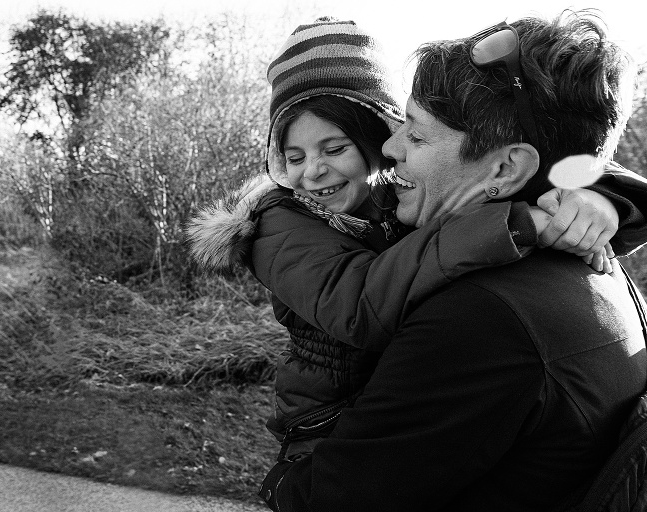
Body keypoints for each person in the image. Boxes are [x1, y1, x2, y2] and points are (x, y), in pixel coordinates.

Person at [188, 15, 647, 469]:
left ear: (373, 135)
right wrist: (518, 223)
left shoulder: (399, 198)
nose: (312, 170)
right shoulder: (280, 223)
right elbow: (360, 303)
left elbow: (577, 156)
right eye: (294, 156)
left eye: (334, 149)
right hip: (322, 422)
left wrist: (604, 203)